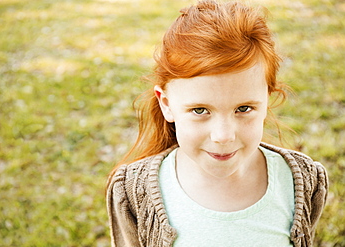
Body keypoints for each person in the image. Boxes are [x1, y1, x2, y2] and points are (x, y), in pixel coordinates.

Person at [106, 0, 328, 246]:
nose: (223, 136)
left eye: (244, 108)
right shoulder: (132, 191)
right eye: (200, 110)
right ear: (167, 104)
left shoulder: (302, 182)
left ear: (267, 100)